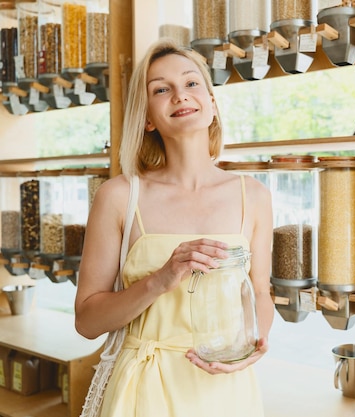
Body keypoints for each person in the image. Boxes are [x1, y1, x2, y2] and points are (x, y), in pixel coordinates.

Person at [74, 38, 274, 417]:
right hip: (143, 392)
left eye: (192, 83)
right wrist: (159, 279)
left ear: (212, 105)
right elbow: (86, 321)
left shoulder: (254, 195)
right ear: (148, 117)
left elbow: (261, 294)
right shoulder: (119, 196)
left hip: (226, 390)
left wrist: (251, 348)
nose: (180, 95)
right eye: (161, 89)